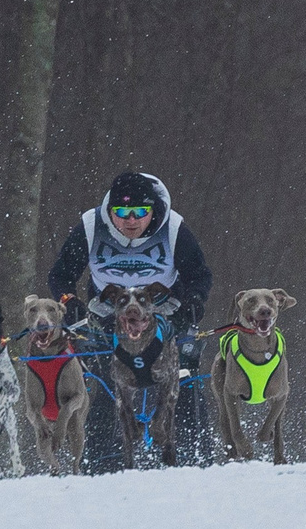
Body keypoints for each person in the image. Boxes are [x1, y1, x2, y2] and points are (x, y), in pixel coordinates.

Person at [45, 171, 213, 470]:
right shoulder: (91, 226)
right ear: (110, 210)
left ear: (153, 211)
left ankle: (195, 456)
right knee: (110, 383)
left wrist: (193, 304)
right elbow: (61, 275)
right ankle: (101, 462)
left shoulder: (173, 228)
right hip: (108, 315)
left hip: (165, 315)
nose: (131, 220)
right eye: (121, 212)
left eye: (140, 212)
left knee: (183, 378)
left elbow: (200, 276)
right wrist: (68, 302)